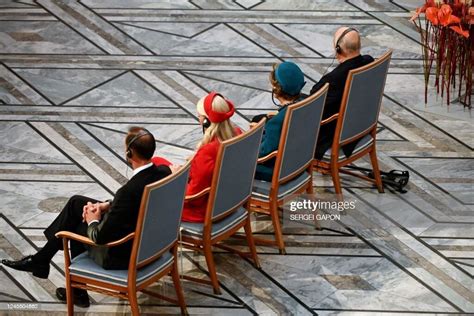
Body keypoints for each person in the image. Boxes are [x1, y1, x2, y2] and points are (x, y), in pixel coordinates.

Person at [1, 127, 171, 308]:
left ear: (129, 153)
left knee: (75, 224)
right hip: (152, 246)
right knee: (76, 203)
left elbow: (100, 237)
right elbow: (137, 201)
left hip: (124, 255)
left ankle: (64, 281)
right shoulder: (163, 172)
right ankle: (43, 262)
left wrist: (93, 220)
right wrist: (106, 204)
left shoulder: (127, 192)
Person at [170, 92, 241, 223]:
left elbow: (193, 196)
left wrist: (175, 181)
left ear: (207, 121)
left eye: (200, 116)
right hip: (231, 199)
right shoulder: (237, 133)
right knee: (160, 162)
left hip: (205, 210)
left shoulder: (207, 152)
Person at [311, 27, 374, 160]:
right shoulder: (369, 63)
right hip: (361, 127)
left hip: (334, 137)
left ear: (338, 49)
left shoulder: (333, 80)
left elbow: (313, 108)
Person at [252, 61, 306, 181]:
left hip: (281, 172)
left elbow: (263, 154)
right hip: (301, 163)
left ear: (276, 90)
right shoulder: (307, 104)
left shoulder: (275, 123)